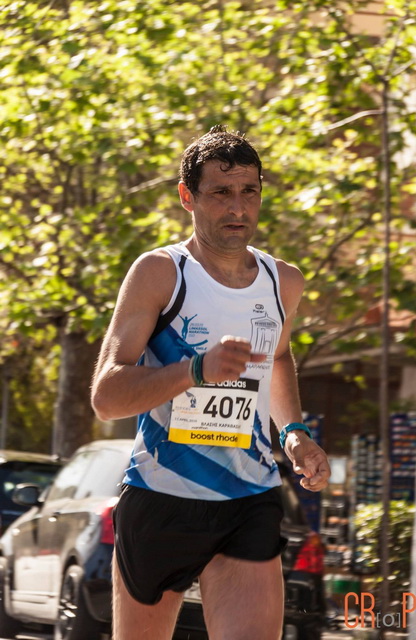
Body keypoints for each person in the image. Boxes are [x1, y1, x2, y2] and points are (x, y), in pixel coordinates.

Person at [91, 125, 330, 640]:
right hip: (163, 497)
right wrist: (196, 369)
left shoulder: (283, 282)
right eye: (221, 192)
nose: (238, 208)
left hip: (249, 497)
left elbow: (278, 357)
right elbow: (106, 396)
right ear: (187, 197)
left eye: (249, 192)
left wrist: (293, 433)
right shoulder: (161, 273)